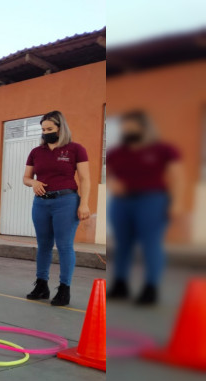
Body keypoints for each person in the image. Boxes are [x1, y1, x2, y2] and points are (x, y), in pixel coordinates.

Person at [105, 111, 184, 305]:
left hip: (152, 200)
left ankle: (151, 287)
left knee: (151, 245)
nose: (128, 130)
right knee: (122, 245)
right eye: (125, 127)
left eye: (132, 126)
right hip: (122, 203)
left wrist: (177, 203)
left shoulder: (163, 149)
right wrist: (112, 183)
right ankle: (121, 284)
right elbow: (109, 174)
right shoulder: (116, 153)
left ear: (144, 127)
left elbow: (178, 176)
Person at [23, 110, 91, 307]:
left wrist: (84, 203)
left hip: (66, 202)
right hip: (41, 203)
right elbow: (26, 177)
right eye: (43, 129)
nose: (46, 132)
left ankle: (64, 289)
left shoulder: (76, 149)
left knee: (64, 246)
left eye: (50, 129)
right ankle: (41, 285)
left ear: (61, 128)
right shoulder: (36, 152)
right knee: (43, 245)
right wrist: (32, 183)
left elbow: (85, 179)